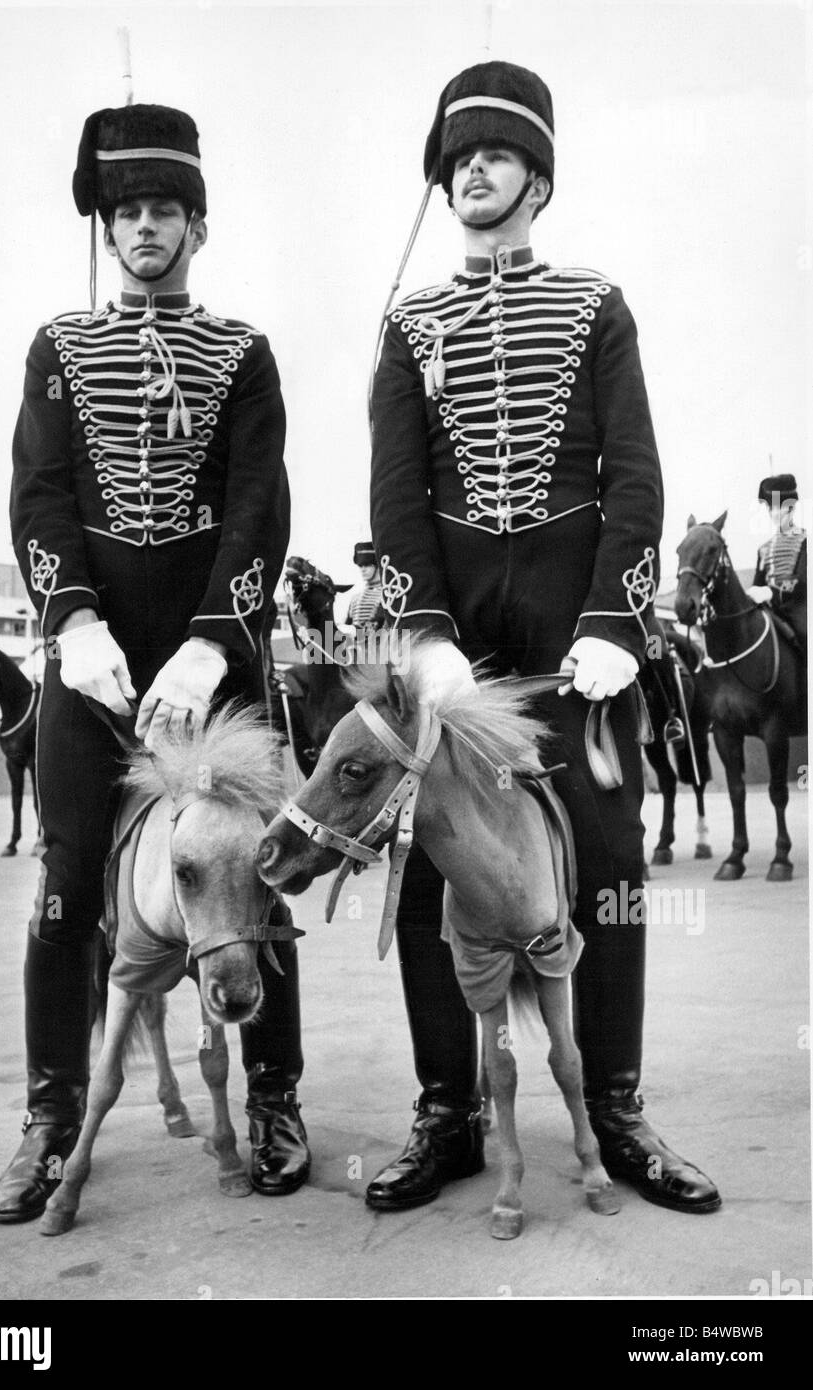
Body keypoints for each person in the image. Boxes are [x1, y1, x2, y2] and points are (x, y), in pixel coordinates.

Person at [368, 60, 720, 1214]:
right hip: (456, 654)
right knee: (432, 874)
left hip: (584, 650)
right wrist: (422, 631)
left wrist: (617, 618)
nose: (473, 168)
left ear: (537, 177)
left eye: (497, 152)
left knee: (611, 869)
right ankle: (448, 1110)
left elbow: (635, 471)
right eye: (459, 154)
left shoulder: (592, 303)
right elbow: (399, 497)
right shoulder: (409, 326)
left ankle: (613, 1105)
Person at [0, 103, 309, 1223]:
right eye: (126, 210)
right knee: (70, 884)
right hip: (90, 670)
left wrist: (213, 644)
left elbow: (258, 506)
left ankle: (273, 1093)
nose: (143, 227)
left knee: (251, 877)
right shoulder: (57, 350)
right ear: (107, 226)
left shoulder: (245, 352)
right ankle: (48, 1109)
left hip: (209, 666)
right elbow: (41, 495)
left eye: (164, 209)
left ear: (196, 225)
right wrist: (73, 624)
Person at [747, 473, 807, 653]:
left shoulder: (805, 542)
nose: (773, 513)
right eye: (770, 508)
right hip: (770, 611)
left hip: (797, 609)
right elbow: (757, 585)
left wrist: (770, 592)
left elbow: (802, 584)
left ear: (790, 508)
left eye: (778, 507)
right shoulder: (763, 549)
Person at [334, 542, 385, 637]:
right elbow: (348, 624)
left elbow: (379, 624)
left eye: (367, 565)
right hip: (356, 646)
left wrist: (353, 631)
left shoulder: (385, 595)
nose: (363, 569)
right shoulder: (355, 598)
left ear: (377, 566)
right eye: (361, 566)